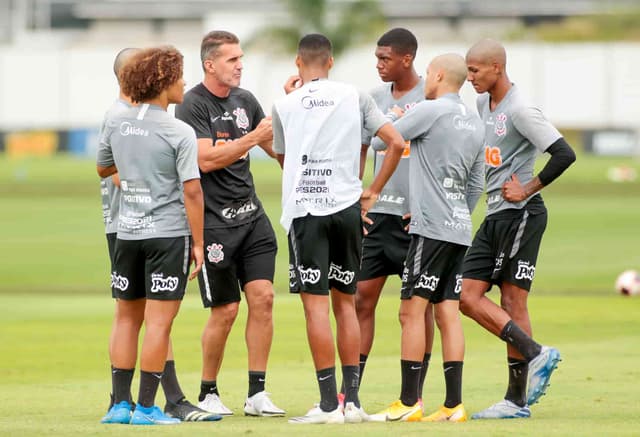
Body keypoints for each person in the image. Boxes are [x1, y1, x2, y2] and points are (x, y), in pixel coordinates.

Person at [272, 33, 406, 424]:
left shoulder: (284, 103)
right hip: (348, 207)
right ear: (330, 61)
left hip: (306, 212)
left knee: (315, 307)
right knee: (345, 303)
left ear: (299, 63)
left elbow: (285, 160)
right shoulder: (355, 96)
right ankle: (353, 402)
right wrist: (373, 192)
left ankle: (328, 404)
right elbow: (394, 143)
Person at [99, 48, 218, 424]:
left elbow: (104, 167)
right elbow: (193, 191)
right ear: (163, 81)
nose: (185, 83)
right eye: (180, 76)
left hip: (127, 234)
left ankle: (120, 406)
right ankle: (148, 408)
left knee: (125, 319)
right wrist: (198, 243)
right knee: (159, 323)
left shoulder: (116, 122)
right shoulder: (178, 130)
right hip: (167, 235)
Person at [460, 38, 576, 419]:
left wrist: (527, 187)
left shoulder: (522, 110)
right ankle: (535, 353)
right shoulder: (482, 103)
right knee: (467, 296)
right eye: (468, 69)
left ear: (497, 67)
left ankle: (515, 400)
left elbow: (564, 153)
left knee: (511, 301)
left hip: (522, 213)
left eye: (475, 70)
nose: (469, 77)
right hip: (496, 215)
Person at [368, 53, 484, 423]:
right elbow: (477, 182)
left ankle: (408, 402)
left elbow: (381, 143)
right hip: (459, 228)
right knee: (448, 311)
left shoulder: (430, 109)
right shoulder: (474, 120)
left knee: (411, 310)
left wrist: (396, 118)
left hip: (429, 229)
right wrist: (456, 212)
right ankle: (453, 405)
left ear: (435, 75)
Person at [174, 30, 284, 417]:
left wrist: (292, 109)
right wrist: (254, 136)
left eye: (241, 58)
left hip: (252, 218)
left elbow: (277, 150)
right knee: (226, 310)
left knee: (264, 299)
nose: (240, 65)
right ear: (210, 64)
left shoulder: (246, 100)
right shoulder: (191, 106)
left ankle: (257, 393)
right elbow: (205, 160)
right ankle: (208, 392)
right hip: (215, 225)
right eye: (232, 59)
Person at [351, 27, 434, 406]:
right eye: (377, 58)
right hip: (377, 217)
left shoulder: (429, 98)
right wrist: (357, 196)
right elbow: (362, 149)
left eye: (386, 58)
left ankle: (413, 396)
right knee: (361, 301)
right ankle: (350, 393)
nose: (379, 65)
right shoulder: (372, 98)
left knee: (419, 308)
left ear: (407, 58)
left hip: (413, 218)